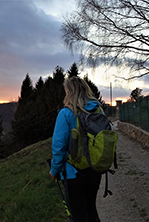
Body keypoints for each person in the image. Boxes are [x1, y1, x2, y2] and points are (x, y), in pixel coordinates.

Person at [50, 76, 103, 222]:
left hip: (74, 172)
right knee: (91, 208)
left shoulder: (66, 113)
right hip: (95, 169)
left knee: (78, 214)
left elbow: (59, 146)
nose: (65, 95)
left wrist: (54, 170)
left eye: (66, 91)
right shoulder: (98, 111)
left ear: (70, 92)